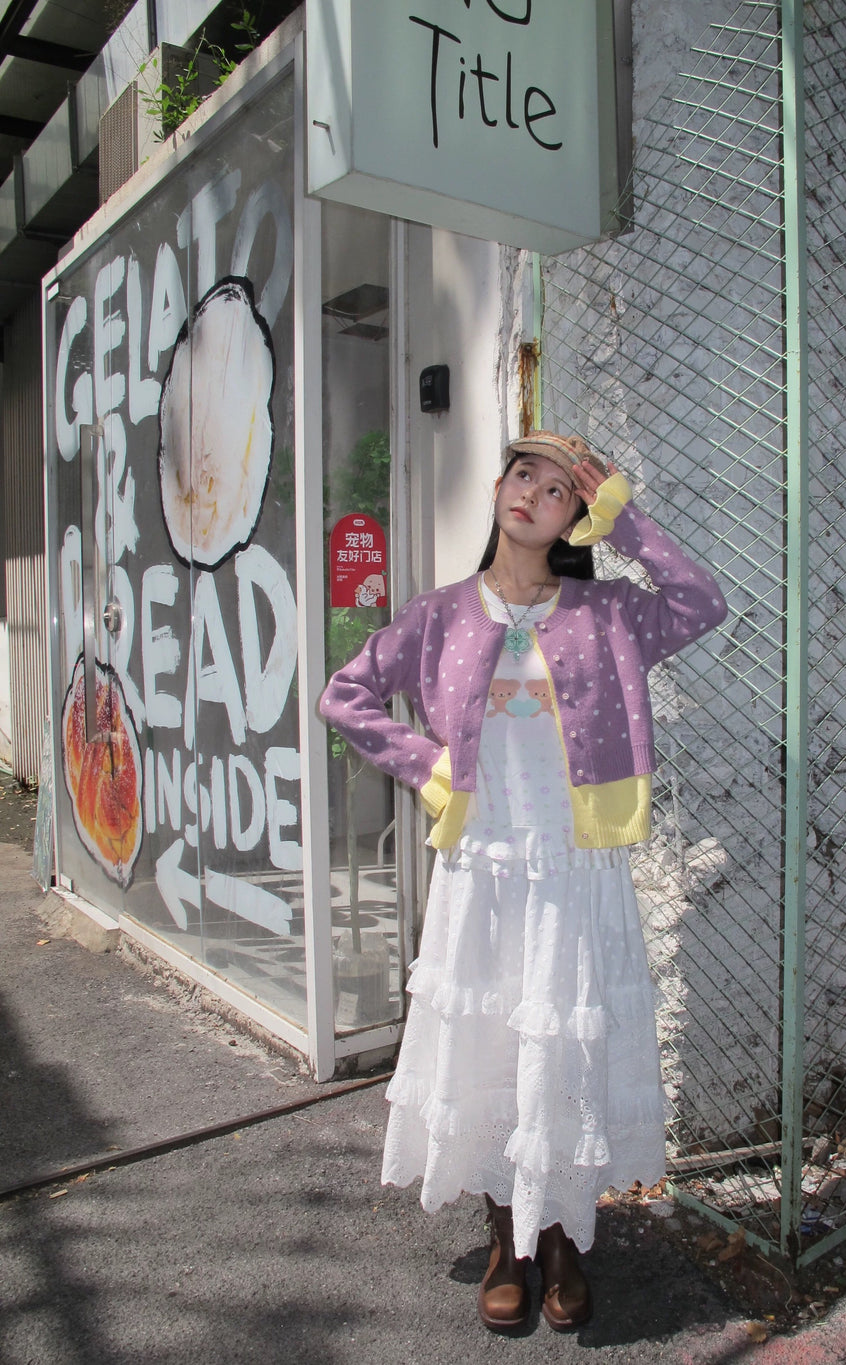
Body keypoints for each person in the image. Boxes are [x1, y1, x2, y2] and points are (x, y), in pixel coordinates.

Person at [319, 431, 727, 1333]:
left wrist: (625, 515)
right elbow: (344, 695)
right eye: (523, 474)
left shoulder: (609, 611)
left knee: (566, 1051)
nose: (532, 493)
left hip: (577, 870)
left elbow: (703, 599)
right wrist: (428, 766)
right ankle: (506, 1236)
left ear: (576, 516)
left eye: (558, 489)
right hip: (488, 872)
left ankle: (564, 1243)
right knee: (499, 1048)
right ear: (500, 486)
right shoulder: (438, 615)